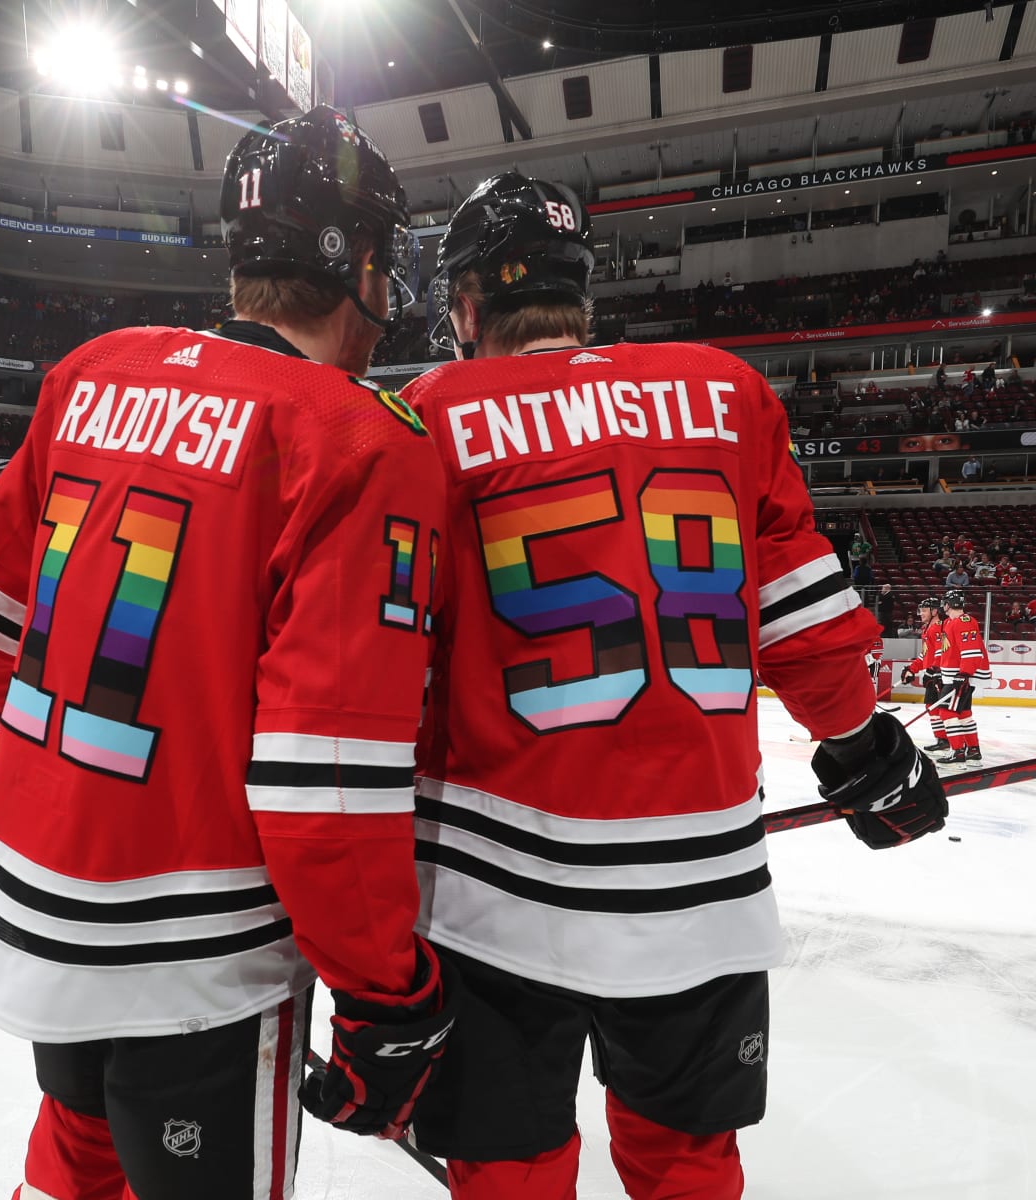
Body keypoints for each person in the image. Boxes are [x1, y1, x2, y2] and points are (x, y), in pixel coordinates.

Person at [0, 107, 456, 1200]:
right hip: (197, 949)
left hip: (37, 906)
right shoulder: (359, 438)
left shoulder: (95, 371)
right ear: (355, 262)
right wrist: (387, 993)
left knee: (75, 1161)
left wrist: (6, 746)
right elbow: (325, 791)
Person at [400, 171, 947, 1200]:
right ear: (579, 292)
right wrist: (861, 751)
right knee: (689, 1170)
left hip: (489, 892)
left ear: (468, 306)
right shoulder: (725, 392)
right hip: (702, 888)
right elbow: (796, 609)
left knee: (506, 1174)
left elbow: (378, 657)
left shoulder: (425, 415)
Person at [935, 588, 992, 765]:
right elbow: (950, 651)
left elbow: (971, 651)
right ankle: (973, 750)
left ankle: (958, 751)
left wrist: (964, 674)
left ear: (948, 604)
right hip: (954, 675)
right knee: (963, 713)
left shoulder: (964, 621)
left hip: (959, 677)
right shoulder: (951, 623)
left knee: (946, 712)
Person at [903, 595, 951, 752]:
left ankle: (950, 740)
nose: (921, 613)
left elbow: (941, 652)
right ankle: (942, 739)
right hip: (933, 674)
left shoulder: (938, 627)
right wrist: (912, 669)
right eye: (921, 610)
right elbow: (925, 655)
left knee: (943, 709)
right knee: (932, 706)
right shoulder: (927, 629)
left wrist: (935, 670)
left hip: (940, 674)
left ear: (935, 611)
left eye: (924, 610)